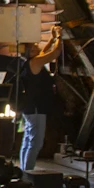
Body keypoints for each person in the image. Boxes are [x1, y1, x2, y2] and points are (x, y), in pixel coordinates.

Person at [17, 26, 61, 172]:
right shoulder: (35, 63)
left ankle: (24, 168)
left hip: (29, 107)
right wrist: (60, 37)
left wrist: (52, 38)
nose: (37, 47)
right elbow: (55, 53)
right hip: (36, 108)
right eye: (35, 47)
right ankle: (28, 171)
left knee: (28, 139)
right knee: (36, 142)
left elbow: (45, 52)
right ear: (30, 52)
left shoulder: (28, 63)